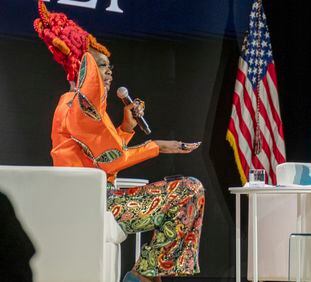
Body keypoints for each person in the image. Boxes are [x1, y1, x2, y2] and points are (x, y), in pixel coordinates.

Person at [33, 1, 204, 281]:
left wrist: (126, 126)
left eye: (110, 67)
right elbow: (115, 158)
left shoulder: (79, 107)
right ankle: (145, 275)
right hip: (92, 203)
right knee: (188, 191)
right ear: (82, 68)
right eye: (101, 66)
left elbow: (107, 160)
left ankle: (147, 273)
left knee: (185, 193)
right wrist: (157, 146)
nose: (109, 72)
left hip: (98, 197)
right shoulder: (77, 108)